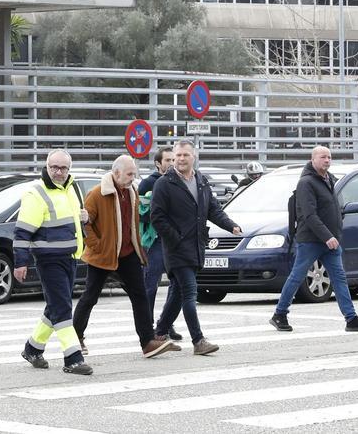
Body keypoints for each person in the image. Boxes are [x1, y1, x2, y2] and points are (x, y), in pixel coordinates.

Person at [73, 155, 176, 359]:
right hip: (102, 255)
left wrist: (139, 247)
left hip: (127, 254)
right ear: (116, 173)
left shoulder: (132, 191)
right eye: (129, 174)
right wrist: (97, 245)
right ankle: (75, 338)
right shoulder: (97, 194)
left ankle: (147, 342)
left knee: (140, 296)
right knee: (90, 297)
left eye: (134, 174)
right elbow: (86, 223)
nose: (133, 178)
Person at [270, 146, 358, 333]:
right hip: (311, 240)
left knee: (340, 278)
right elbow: (309, 215)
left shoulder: (328, 180)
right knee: (297, 276)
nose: (327, 160)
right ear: (313, 160)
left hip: (331, 241)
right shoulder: (307, 183)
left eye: (329, 157)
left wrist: (334, 233)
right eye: (322, 157)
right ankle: (280, 314)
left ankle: (351, 319)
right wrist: (327, 236)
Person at [151, 140, 242, 355]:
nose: (181, 159)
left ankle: (159, 334)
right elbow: (157, 217)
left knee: (177, 293)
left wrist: (231, 226)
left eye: (185, 155)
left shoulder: (201, 181)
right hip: (177, 249)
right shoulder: (164, 184)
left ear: (194, 157)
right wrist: (177, 238)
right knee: (190, 292)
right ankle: (198, 340)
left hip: (196, 247)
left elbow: (213, 209)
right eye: (177, 156)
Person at [15, 149, 92, 375]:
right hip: (49, 259)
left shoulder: (70, 188)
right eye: (54, 167)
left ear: (69, 169)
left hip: (69, 257)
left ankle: (32, 348)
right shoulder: (36, 193)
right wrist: (20, 262)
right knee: (62, 307)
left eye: (63, 168)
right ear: (46, 166)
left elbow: (69, 220)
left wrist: (83, 216)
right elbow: (22, 232)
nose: (58, 172)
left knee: (55, 307)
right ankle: (73, 358)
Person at [138, 147, 181, 343]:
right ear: (158, 163)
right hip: (155, 241)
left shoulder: (178, 181)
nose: (172, 163)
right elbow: (140, 212)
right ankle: (147, 328)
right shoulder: (148, 183)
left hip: (173, 240)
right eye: (168, 160)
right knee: (151, 285)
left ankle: (166, 323)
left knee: (176, 284)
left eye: (174, 159)